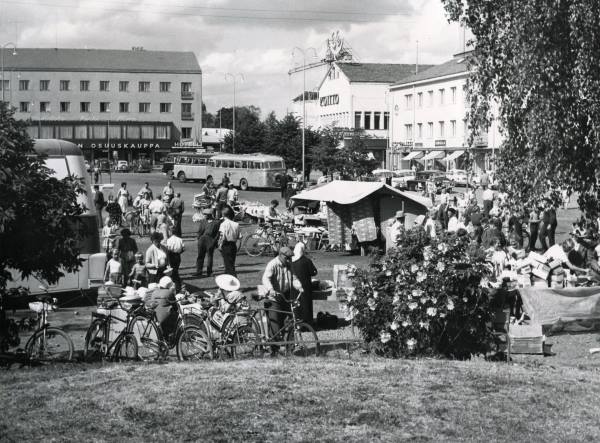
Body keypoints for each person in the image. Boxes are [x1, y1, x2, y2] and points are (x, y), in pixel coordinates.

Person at [262, 246, 299, 354]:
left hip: (286, 296)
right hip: (273, 298)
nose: (289, 260)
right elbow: (265, 278)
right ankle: (274, 349)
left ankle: (290, 349)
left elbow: (294, 278)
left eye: (290, 258)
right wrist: (270, 289)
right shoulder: (272, 264)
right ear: (281, 256)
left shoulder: (289, 265)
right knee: (275, 324)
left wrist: (299, 286)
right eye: (287, 258)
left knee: (290, 322)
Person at [291, 242, 318, 325]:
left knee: (296, 305)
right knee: (306, 304)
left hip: (294, 287)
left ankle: (297, 323)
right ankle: (307, 323)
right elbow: (314, 272)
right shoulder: (306, 260)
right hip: (305, 286)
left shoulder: (291, 260)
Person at [150, 276, 178, 340]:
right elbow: (175, 306)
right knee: (175, 313)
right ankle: (171, 333)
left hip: (155, 316)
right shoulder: (169, 293)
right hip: (164, 318)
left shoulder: (154, 292)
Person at [196, 209, 221, 277]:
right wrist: (199, 238)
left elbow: (218, 233)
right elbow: (199, 231)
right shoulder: (203, 221)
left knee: (210, 256)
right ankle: (199, 271)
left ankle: (209, 272)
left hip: (210, 240)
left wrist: (214, 241)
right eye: (204, 214)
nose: (204, 216)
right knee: (200, 256)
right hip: (202, 239)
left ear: (210, 215)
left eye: (206, 214)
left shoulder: (216, 222)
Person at [218, 206, 240, 276]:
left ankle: (234, 282)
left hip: (226, 245)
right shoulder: (236, 224)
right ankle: (225, 285)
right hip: (233, 245)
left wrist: (220, 245)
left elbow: (222, 236)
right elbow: (239, 237)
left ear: (223, 214)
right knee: (230, 264)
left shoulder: (223, 224)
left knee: (229, 267)